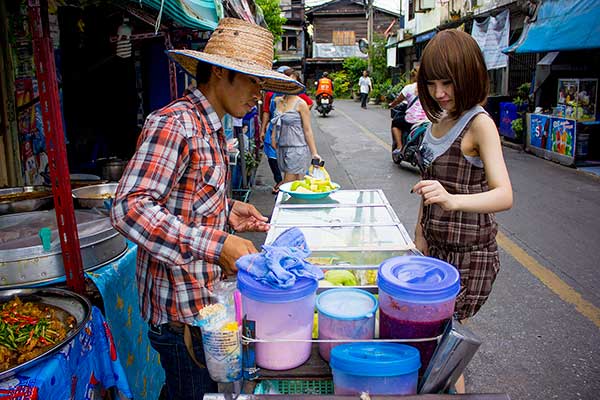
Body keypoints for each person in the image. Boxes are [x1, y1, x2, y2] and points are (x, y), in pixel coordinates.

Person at [110, 18, 304, 400]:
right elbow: (129, 208)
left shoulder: (211, 127)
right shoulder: (174, 124)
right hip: (180, 319)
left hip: (203, 308)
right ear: (219, 72)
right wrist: (217, 245)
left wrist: (226, 209)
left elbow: (181, 198)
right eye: (252, 81)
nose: (258, 94)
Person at [412, 29, 513, 322]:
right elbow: (429, 187)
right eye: (431, 84)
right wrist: (419, 232)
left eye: (447, 83)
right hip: (435, 247)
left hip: (468, 257)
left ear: (468, 76)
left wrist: (452, 200)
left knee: (443, 340)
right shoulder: (440, 120)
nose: (438, 93)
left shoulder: (480, 124)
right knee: (434, 339)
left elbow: (504, 194)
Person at [260, 66, 313, 194]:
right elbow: (267, 112)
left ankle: (282, 187)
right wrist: (265, 131)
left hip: (295, 143)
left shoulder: (299, 99)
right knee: (275, 161)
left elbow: (307, 127)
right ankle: (281, 183)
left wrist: (297, 118)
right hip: (277, 138)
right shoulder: (273, 96)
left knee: (289, 182)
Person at [271, 68, 320, 183]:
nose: (289, 84)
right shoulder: (278, 101)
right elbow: (275, 121)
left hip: (297, 148)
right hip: (282, 147)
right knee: (296, 183)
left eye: (292, 81)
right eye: (286, 81)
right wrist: (273, 137)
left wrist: (314, 153)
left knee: (287, 184)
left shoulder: (301, 104)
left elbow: (307, 130)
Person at [388, 67, 427, 155]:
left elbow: (398, 100)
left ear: (412, 77)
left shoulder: (409, 88)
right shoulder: (429, 88)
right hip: (427, 119)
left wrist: (391, 105)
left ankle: (399, 146)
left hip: (412, 119)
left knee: (395, 123)